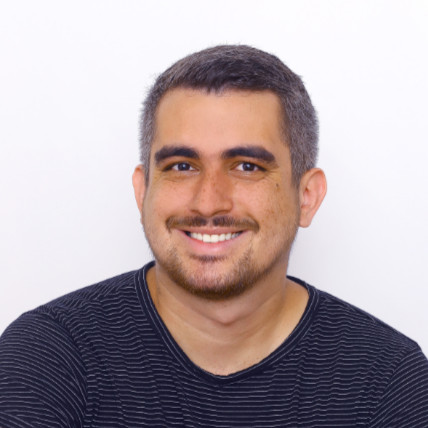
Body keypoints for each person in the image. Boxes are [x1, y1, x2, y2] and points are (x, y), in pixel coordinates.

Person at [0, 45, 427, 427]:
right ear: (143, 191)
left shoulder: (388, 381)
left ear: (307, 196)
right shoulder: (50, 355)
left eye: (247, 167)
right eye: (182, 166)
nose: (208, 203)